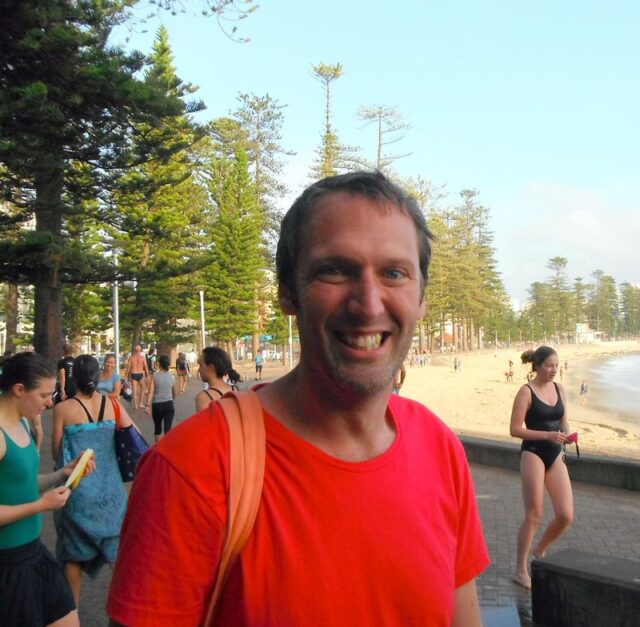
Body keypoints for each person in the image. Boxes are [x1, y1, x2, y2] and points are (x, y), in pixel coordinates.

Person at [107, 171, 489, 626]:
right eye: (335, 271)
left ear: (422, 298)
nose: (369, 304)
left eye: (394, 273)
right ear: (288, 293)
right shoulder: (191, 468)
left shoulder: (440, 448)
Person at [0, 352, 95, 627]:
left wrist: (62, 474)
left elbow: (23, 483)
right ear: (19, 390)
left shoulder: (22, 421)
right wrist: (40, 506)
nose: (49, 402)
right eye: (43, 395)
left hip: (33, 552)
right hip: (8, 562)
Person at [52, 355, 132, 605]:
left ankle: (71, 613)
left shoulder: (63, 409)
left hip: (78, 492)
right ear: (97, 378)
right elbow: (133, 436)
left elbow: (56, 453)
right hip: (112, 492)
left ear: (74, 379)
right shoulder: (112, 404)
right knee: (118, 556)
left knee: (73, 557)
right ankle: (128, 610)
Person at [510, 346, 574, 589]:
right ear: (536, 366)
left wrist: (567, 434)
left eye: (556, 365)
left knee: (565, 515)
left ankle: (540, 550)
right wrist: (547, 435)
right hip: (533, 453)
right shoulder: (526, 392)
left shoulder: (560, 389)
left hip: (556, 453)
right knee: (535, 514)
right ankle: (520, 570)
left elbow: (564, 421)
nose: (553, 370)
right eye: (549, 365)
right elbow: (515, 429)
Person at [194, 346, 242, 412]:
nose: (199, 370)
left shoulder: (204, 397)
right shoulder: (237, 390)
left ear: (211, 367)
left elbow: (204, 419)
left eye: (200, 365)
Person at [145, 355, 177, 442]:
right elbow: (174, 392)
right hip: (168, 404)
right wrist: (171, 398)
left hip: (157, 405)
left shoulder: (154, 376)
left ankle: (158, 448)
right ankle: (167, 447)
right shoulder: (172, 376)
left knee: (158, 429)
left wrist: (147, 405)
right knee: (168, 429)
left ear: (159, 364)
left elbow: (150, 392)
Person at [124, 344, 148, 410]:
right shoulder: (142, 358)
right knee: (143, 388)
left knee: (134, 391)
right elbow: (146, 367)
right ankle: (141, 403)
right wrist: (147, 375)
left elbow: (128, 368)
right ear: (140, 350)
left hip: (133, 374)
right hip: (140, 374)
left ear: (134, 350)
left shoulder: (131, 358)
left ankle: (136, 405)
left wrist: (126, 376)